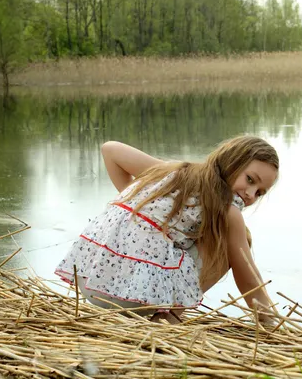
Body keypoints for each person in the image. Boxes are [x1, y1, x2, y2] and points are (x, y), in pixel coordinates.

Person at [55, 135, 278, 324]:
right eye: (250, 180)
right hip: (126, 295)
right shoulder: (231, 214)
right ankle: (167, 321)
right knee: (239, 241)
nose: (250, 194)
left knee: (214, 234)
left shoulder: (175, 172)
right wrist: (272, 326)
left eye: (259, 192)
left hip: (91, 278)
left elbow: (110, 150)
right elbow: (248, 278)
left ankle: (154, 311)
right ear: (232, 162)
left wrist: (138, 206)